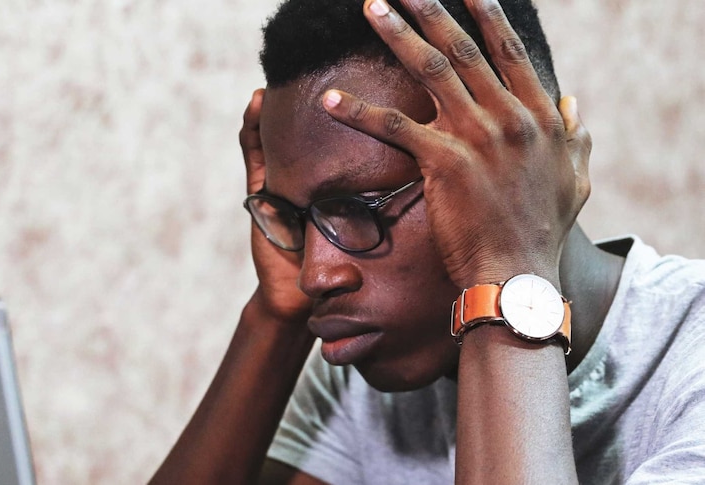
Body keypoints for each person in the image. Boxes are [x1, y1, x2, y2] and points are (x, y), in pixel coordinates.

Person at [150, 0, 705, 483]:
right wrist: (274, 320)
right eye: (299, 219)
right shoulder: (364, 380)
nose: (315, 275)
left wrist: (505, 275)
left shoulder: (689, 361)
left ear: (524, 164)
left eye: (356, 207)